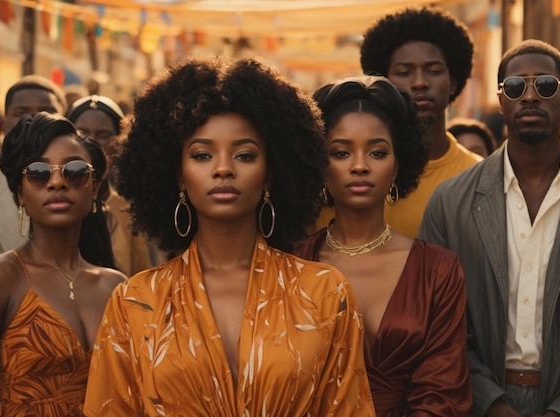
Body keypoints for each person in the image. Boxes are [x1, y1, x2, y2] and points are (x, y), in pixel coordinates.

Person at [83, 57, 375, 417]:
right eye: (203, 155)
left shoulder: (325, 293)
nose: (223, 169)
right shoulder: (135, 301)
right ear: (177, 175)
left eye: (245, 155)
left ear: (271, 173)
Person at [419, 39, 560, 417]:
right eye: (515, 87)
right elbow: (435, 326)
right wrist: (491, 404)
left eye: (545, 85)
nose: (530, 96)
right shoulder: (450, 203)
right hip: (475, 402)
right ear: (501, 100)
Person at [295, 75, 470, 416]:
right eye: (341, 152)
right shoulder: (292, 265)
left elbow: (444, 395)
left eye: (377, 152)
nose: (360, 166)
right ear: (320, 166)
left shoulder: (438, 270)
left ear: (397, 165)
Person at [0, 112, 126, 416]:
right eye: (39, 172)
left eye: (75, 171)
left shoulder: (116, 286)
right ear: (19, 193)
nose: (57, 182)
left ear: (93, 188)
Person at [352, 6, 481, 238]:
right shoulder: (356, 175)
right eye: (404, 72)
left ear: (453, 82)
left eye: (433, 70)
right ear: (383, 82)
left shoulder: (477, 175)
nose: (420, 82)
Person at [0, 75, 67, 278]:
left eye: (46, 112)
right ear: (4, 125)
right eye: (20, 113)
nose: (34, 121)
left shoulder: (82, 184)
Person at [66, 95, 154, 276]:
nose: (93, 143)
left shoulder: (130, 209)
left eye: (104, 135)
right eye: (82, 133)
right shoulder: (57, 201)